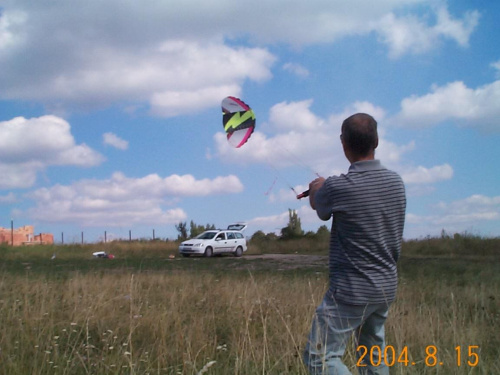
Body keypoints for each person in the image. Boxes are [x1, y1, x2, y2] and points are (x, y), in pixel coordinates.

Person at [303, 113, 406, 375]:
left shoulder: (338, 187)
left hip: (351, 291)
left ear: (343, 143)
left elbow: (320, 206)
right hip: (385, 287)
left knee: (319, 356)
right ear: (377, 141)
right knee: (373, 357)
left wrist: (317, 187)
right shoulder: (397, 183)